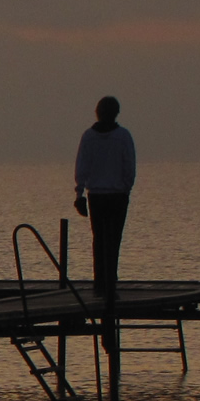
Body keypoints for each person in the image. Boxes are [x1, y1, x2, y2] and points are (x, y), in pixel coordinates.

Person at [73, 96, 136, 296]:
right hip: (116, 195)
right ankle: (109, 282)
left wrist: (79, 193)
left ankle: (100, 283)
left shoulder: (88, 137)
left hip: (97, 195)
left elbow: (82, 167)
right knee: (113, 240)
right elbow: (129, 167)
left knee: (99, 239)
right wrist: (126, 189)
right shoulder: (123, 136)